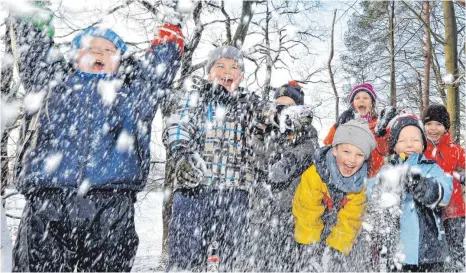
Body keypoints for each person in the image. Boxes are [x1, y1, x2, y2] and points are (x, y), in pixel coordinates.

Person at [10, 5, 184, 271]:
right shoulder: (51, 83)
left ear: (120, 62)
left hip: (111, 205)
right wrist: (33, 12)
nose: (98, 54)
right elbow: (33, 48)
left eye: (108, 50)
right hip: (49, 202)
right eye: (90, 48)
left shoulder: (134, 95)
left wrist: (170, 31)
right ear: (74, 56)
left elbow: (159, 70)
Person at [163, 45, 264, 271]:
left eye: (234, 67)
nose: (227, 71)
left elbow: (269, 117)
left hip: (235, 193)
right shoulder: (195, 98)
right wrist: (183, 153)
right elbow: (178, 124)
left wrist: (282, 116)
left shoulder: (249, 104)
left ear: (241, 76)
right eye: (220, 66)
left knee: (234, 258)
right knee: (185, 255)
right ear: (209, 73)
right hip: (194, 191)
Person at [366, 114, 453, 272]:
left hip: (430, 252)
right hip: (398, 252)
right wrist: (384, 186)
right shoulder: (389, 170)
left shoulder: (431, 168)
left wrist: (422, 185)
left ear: (422, 145)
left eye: (415, 140)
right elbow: (371, 192)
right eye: (403, 140)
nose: (409, 145)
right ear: (395, 145)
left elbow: (444, 193)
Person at [249, 81, 319, 271]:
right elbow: (256, 156)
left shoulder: (305, 130)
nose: (282, 110)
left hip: (293, 206)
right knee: (263, 255)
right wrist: (258, 133)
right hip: (264, 207)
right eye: (279, 105)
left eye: (288, 106)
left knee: (292, 257)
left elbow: (310, 149)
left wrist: (289, 160)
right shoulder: (266, 130)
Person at [293, 119, 376, 272]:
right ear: (335, 150)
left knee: (350, 250)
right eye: (346, 151)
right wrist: (309, 247)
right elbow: (307, 211)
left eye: (359, 155)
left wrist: (336, 250)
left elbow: (351, 219)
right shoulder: (315, 174)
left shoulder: (360, 185)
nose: (352, 160)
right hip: (313, 223)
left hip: (339, 225)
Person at [422, 104, 465, 271]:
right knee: (434, 250)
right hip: (429, 210)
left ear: (445, 127)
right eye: (429, 123)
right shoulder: (420, 149)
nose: (433, 128)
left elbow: (463, 165)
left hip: (454, 211)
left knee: (455, 249)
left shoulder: (454, 149)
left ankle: (457, 268)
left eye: (438, 124)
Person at [323, 83, 393, 178]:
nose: (361, 100)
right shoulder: (346, 121)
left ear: (372, 102)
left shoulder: (378, 123)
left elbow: (385, 150)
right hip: (350, 173)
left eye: (365, 98)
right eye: (357, 98)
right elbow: (328, 143)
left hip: (374, 175)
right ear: (353, 103)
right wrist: (338, 126)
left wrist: (382, 133)